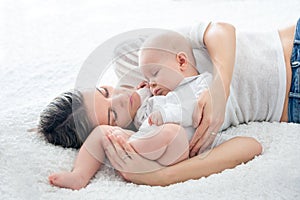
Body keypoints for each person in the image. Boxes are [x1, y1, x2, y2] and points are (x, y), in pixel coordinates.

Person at [39, 18, 299, 187]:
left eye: (105, 91)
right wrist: (159, 176)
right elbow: (249, 147)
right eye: (113, 115)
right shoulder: (163, 133)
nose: (120, 96)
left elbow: (221, 30)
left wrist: (219, 90)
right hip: (291, 107)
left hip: (290, 47)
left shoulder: (135, 61)